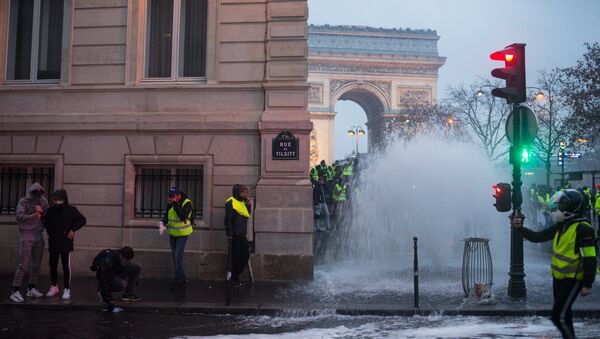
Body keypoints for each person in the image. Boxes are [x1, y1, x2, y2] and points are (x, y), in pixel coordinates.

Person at [511, 189, 596, 339]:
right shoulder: (561, 225)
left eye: (561, 206)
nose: (557, 209)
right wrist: (519, 228)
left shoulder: (583, 229)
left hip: (574, 279)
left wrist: (587, 283)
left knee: (559, 316)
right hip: (559, 277)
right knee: (565, 314)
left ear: (572, 208)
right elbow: (538, 237)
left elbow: (590, 258)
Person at [44, 190, 87, 300]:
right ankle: (54, 286)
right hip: (54, 241)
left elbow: (82, 220)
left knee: (65, 266)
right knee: (52, 265)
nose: (56, 201)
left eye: (58, 198)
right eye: (54, 199)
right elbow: (46, 223)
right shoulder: (50, 210)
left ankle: (67, 288)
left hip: (65, 241)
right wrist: (51, 234)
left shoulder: (71, 210)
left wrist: (73, 230)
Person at [10, 183, 49, 303]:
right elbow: (19, 217)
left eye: (40, 192)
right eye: (35, 192)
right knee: (23, 264)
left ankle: (31, 288)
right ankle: (15, 291)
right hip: (26, 234)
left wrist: (42, 213)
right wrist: (34, 215)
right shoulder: (24, 201)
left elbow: (47, 217)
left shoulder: (43, 201)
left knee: (36, 265)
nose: (38, 195)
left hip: (38, 234)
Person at [161, 187, 193, 289]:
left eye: (173, 196)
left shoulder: (187, 203)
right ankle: (181, 277)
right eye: (169, 196)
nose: (171, 198)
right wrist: (162, 224)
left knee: (178, 256)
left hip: (183, 234)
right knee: (175, 257)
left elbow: (182, 216)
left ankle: (178, 279)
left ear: (178, 195)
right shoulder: (170, 203)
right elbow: (166, 217)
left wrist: (175, 204)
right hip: (173, 233)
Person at [95, 246, 141, 311]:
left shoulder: (122, 257)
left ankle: (127, 294)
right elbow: (103, 280)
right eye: (127, 259)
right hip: (108, 277)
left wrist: (134, 279)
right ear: (121, 256)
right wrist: (108, 299)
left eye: (129, 260)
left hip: (117, 271)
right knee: (123, 284)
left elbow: (127, 265)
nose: (128, 261)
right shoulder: (108, 262)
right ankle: (101, 292)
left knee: (136, 268)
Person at [224, 184, 251, 287]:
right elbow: (228, 219)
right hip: (234, 235)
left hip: (242, 234)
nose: (245, 194)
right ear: (237, 192)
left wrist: (248, 203)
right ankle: (234, 278)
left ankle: (235, 276)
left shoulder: (242, 202)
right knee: (235, 257)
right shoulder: (231, 202)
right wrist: (229, 234)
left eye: (245, 192)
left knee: (245, 255)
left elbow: (247, 214)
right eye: (243, 192)